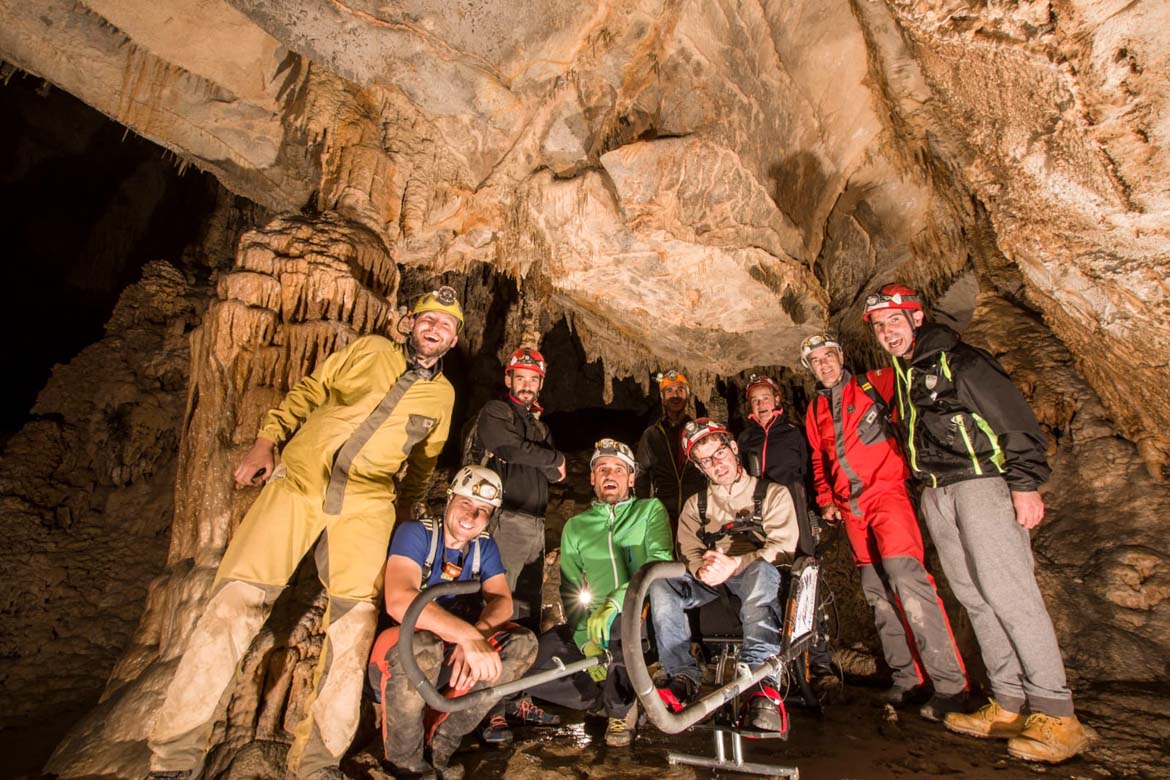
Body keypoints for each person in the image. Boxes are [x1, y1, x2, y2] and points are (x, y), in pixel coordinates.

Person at [146, 288, 464, 780]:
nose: (435, 328)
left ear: (454, 339)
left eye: (446, 325)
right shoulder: (370, 350)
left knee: (353, 628)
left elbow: (424, 460)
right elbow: (310, 390)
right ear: (410, 322)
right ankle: (173, 758)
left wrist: (405, 510)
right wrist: (267, 440)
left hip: (366, 505)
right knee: (233, 604)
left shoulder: (443, 396)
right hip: (299, 481)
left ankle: (318, 763)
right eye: (429, 319)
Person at [865, 283, 1091, 763]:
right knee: (974, 598)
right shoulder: (907, 374)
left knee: (1010, 593)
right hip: (937, 491)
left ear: (917, 318)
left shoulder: (961, 361)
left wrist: (1025, 484)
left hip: (981, 484)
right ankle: (1009, 703)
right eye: (880, 327)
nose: (887, 333)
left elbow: (1014, 420)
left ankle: (1057, 713)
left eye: (894, 321)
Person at [800, 333, 968, 720]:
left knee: (907, 578)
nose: (824, 365)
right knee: (876, 590)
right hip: (851, 508)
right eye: (816, 361)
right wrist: (826, 497)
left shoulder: (873, 383)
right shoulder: (815, 408)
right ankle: (907, 677)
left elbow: (913, 375)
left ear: (841, 356)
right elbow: (819, 457)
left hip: (887, 494)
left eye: (828, 356)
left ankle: (950, 684)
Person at [368, 466, 538, 780]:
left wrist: (477, 636)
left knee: (521, 643)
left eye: (483, 510)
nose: (472, 516)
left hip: (450, 655)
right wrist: (467, 636)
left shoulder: (484, 546)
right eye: (466, 503)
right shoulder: (416, 533)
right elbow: (399, 600)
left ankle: (441, 743)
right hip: (397, 655)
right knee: (424, 645)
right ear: (449, 499)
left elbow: (502, 600)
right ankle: (405, 763)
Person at [649, 419, 799, 732]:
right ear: (699, 468)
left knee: (761, 572)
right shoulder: (696, 505)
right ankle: (682, 675)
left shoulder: (772, 494)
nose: (716, 464)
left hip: (756, 573)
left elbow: (783, 547)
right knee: (662, 585)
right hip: (712, 580)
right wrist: (701, 569)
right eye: (705, 461)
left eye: (719, 453)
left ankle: (761, 682)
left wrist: (736, 564)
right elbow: (687, 548)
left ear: (733, 448)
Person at [525, 439, 673, 747]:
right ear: (592, 478)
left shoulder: (649, 510)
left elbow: (658, 562)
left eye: (619, 469)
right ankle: (602, 700)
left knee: (620, 629)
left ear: (631, 478)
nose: (609, 475)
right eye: (602, 469)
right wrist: (584, 639)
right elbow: (569, 587)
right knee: (532, 659)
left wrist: (615, 604)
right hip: (595, 622)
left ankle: (621, 710)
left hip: (644, 614)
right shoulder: (577, 526)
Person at [469, 347, 565, 743]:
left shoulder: (538, 424)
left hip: (535, 524)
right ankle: (489, 710)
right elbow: (509, 448)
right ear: (508, 379)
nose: (526, 386)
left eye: (533, 380)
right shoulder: (497, 412)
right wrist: (551, 457)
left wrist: (546, 458)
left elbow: (555, 475)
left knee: (527, 612)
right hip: (505, 519)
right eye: (520, 378)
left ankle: (517, 699)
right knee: (498, 608)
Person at [635, 370, 707, 530]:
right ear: (662, 398)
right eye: (669, 391)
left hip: (697, 510)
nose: (675, 395)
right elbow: (641, 474)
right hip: (663, 511)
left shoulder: (699, 432)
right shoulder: (651, 435)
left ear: (687, 396)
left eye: (680, 390)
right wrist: (641, 509)